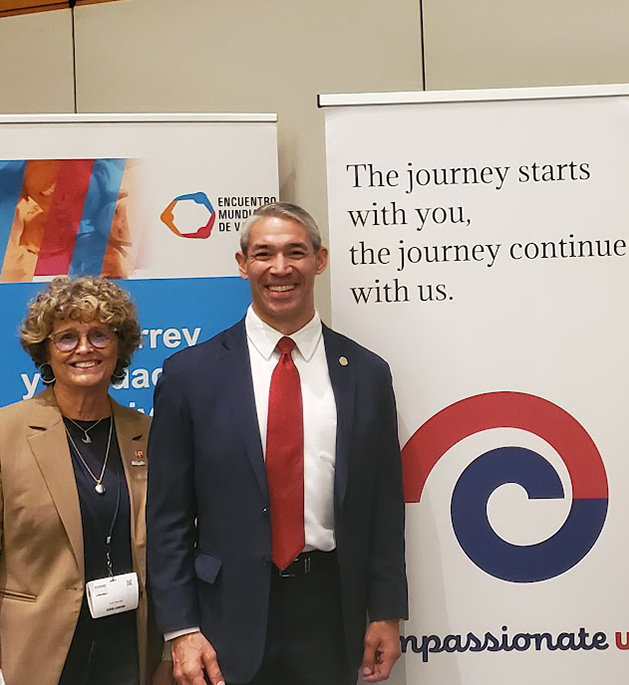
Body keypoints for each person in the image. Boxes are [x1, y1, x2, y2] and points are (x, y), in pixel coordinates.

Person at [147, 202, 408, 685]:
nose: (280, 268)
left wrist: (386, 610)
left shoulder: (367, 374)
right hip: (225, 618)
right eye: (264, 253)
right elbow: (168, 518)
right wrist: (181, 630)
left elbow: (384, 507)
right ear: (243, 263)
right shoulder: (190, 375)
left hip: (333, 613)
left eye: (296, 252)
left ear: (320, 260)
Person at [0, 276, 169, 684]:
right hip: (38, 648)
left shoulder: (148, 434)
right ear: (45, 349)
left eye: (99, 334)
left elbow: (172, 546)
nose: (84, 349)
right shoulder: (7, 432)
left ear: (119, 346)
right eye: (66, 338)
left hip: (131, 647)